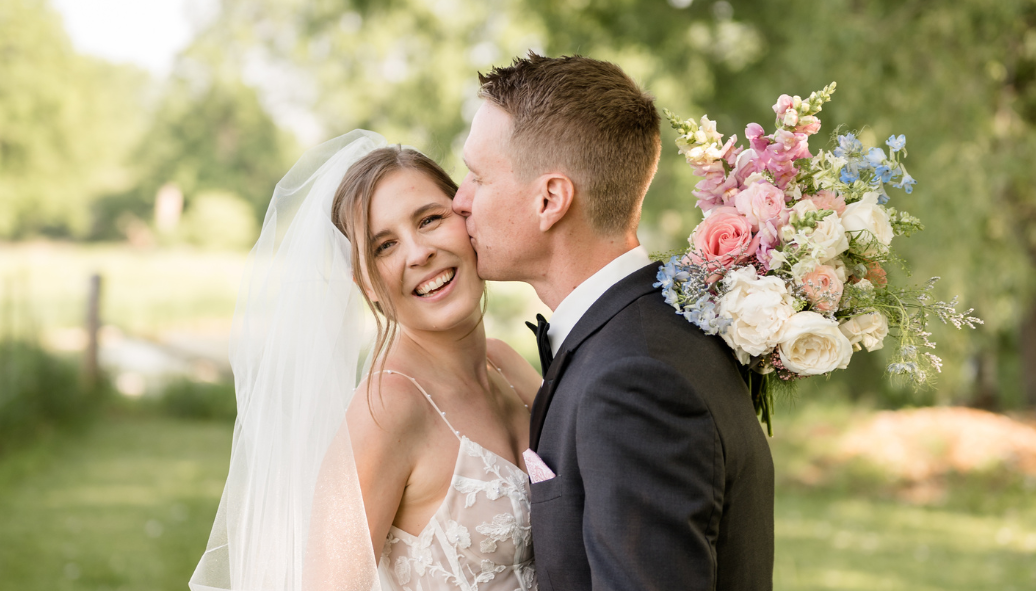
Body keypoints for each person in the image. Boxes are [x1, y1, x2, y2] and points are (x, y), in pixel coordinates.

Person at [452, 53, 775, 590]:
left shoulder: (633, 378)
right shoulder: (651, 332)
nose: (459, 201)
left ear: (550, 200)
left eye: (477, 177)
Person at [190, 132, 541, 591]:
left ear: (466, 218)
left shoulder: (507, 364)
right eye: (384, 246)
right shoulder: (388, 408)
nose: (418, 253)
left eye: (430, 219)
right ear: (367, 285)